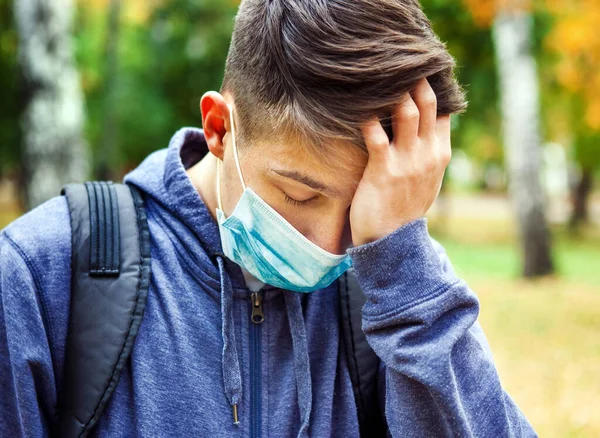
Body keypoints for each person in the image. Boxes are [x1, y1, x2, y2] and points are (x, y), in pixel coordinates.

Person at [0, 0, 537, 436]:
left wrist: (402, 265)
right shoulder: (40, 273)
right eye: (299, 196)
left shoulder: (394, 280)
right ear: (218, 129)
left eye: (359, 211)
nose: (331, 247)